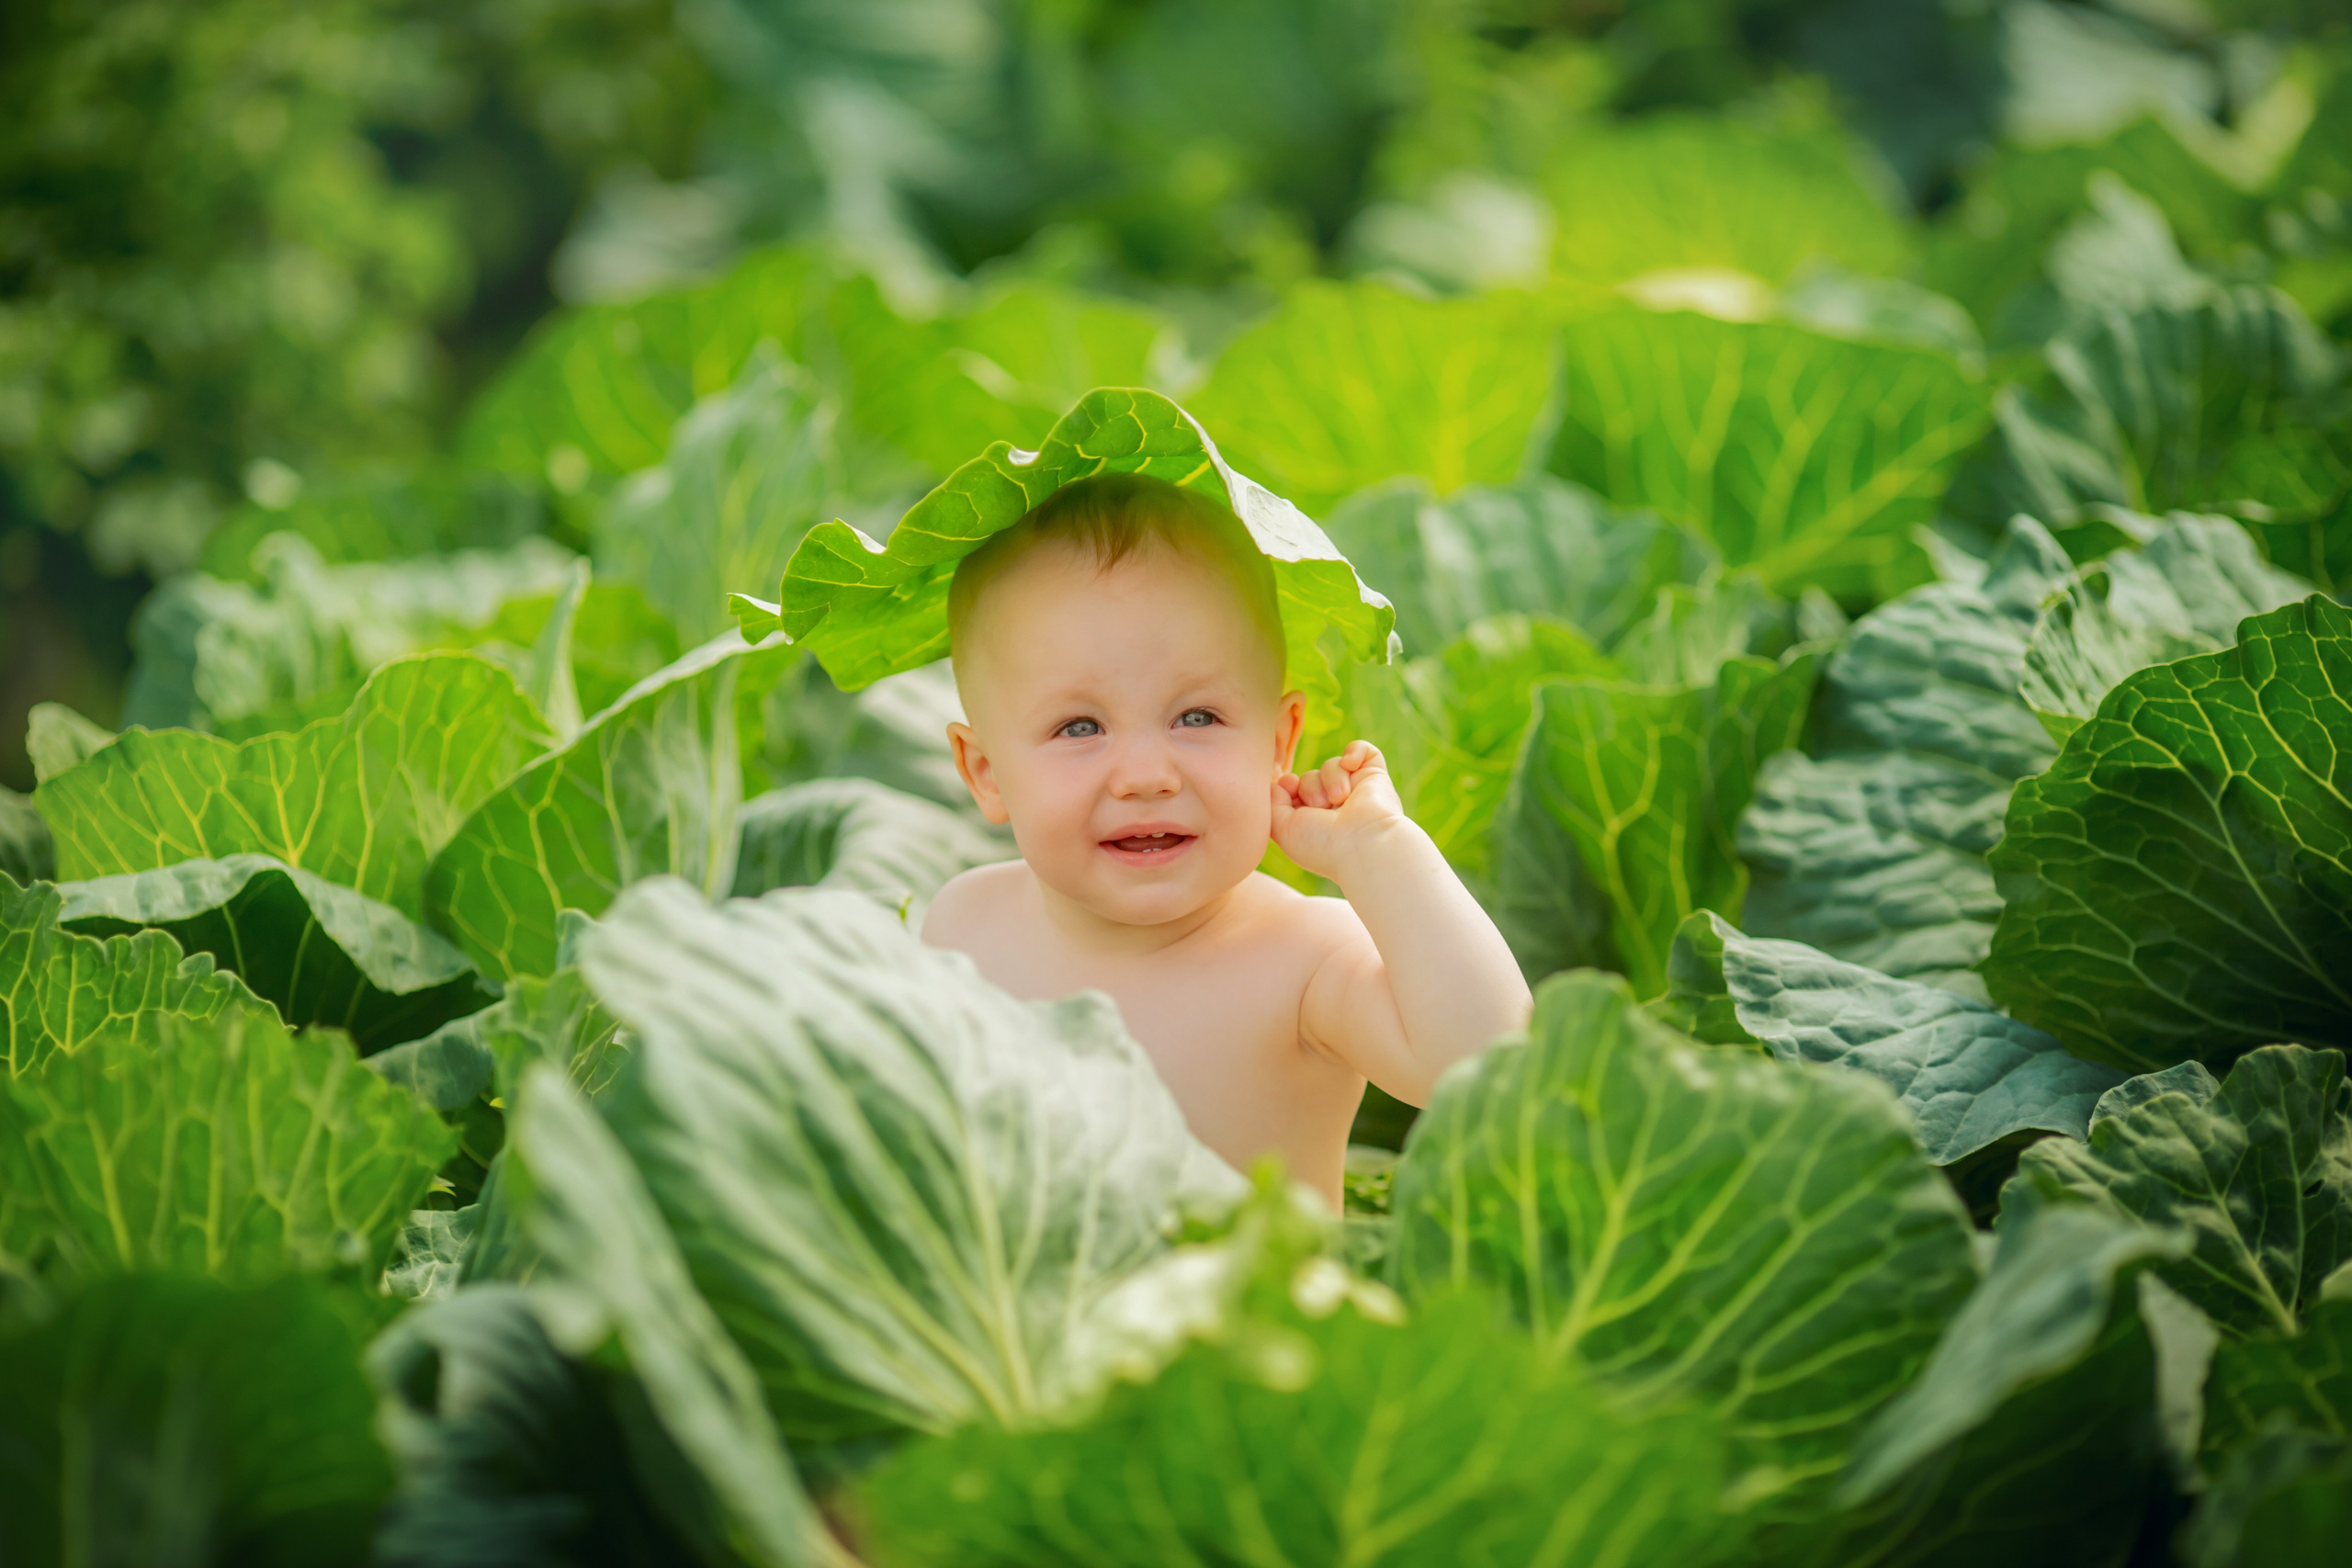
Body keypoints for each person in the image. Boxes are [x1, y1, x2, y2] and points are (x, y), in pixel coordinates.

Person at [922, 471, 1532, 1205]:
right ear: (985, 772)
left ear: (1280, 743)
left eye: (1197, 717)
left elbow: (1491, 1064)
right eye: (1079, 727)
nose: (1145, 776)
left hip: (1257, 1322)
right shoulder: (962, 927)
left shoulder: (1306, 958)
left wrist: (1380, 853)